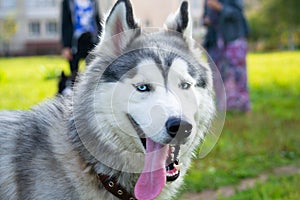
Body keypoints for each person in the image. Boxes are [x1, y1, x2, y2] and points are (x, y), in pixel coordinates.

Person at [203, 0, 250, 113]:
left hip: (233, 39)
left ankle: (243, 106)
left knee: (237, 73)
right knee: (217, 74)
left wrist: (219, 7)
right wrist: (206, 20)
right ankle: (224, 107)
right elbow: (205, 17)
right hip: (214, 41)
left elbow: (237, 14)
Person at [61, 0, 102, 82]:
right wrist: (66, 46)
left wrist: (100, 42)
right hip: (75, 43)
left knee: (92, 72)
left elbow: (97, 21)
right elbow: (65, 24)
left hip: (91, 40)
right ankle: (74, 93)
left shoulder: (93, 2)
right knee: (74, 73)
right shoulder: (68, 2)